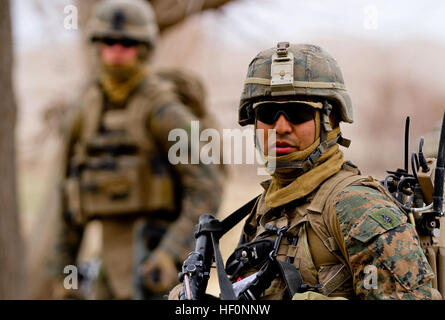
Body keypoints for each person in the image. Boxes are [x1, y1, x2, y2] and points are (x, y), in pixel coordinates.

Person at [172, 42, 442, 300]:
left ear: (330, 120)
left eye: (297, 113)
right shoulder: (267, 207)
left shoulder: (358, 207)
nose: (280, 128)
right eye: (267, 114)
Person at [50, 0, 224, 299]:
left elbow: (207, 186)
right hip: (108, 262)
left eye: (128, 43)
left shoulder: (162, 110)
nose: (117, 50)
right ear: (97, 45)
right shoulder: (86, 111)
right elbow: (69, 197)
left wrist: (170, 254)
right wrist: (64, 273)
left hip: (154, 263)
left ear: (144, 48)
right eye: (109, 41)